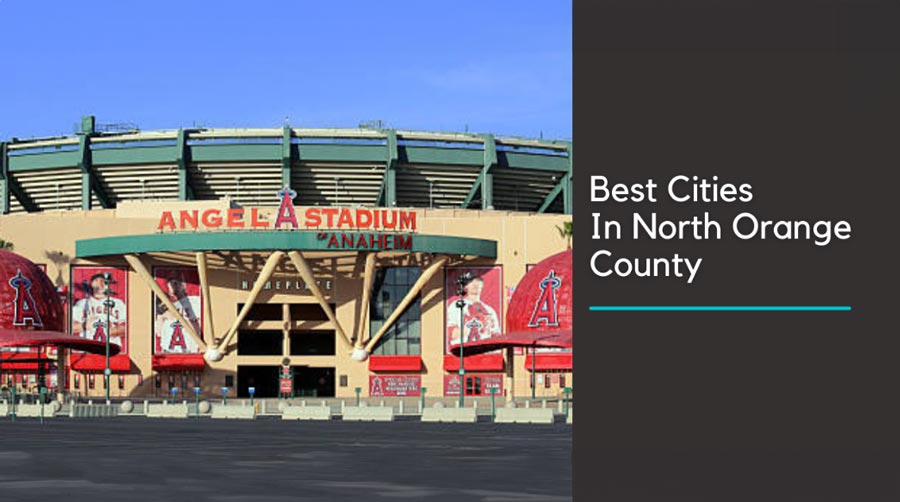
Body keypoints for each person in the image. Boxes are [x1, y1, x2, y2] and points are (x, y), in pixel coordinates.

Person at [72, 272, 127, 349]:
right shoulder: (82, 303)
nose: (101, 284)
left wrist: (108, 331)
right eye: (97, 281)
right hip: (86, 349)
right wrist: (84, 325)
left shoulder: (118, 303)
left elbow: (128, 329)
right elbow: (69, 327)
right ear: (92, 284)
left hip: (111, 348)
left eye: (104, 282)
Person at [447, 274, 500, 346]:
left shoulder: (489, 310)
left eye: (478, 282)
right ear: (466, 286)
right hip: (462, 351)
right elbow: (450, 333)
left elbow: (496, 335)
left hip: (484, 352)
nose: (475, 284)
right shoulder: (457, 305)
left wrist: (485, 327)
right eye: (471, 282)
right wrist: (471, 326)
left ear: (482, 286)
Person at [154, 274, 202, 353]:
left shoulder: (196, 301)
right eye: (170, 287)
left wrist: (177, 318)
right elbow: (159, 333)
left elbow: (199, 330)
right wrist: (161, 316)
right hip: (170, 351)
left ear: (183, 284)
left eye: (175, 285)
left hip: (190, 351)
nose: (173, 291)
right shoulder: (170, 308)